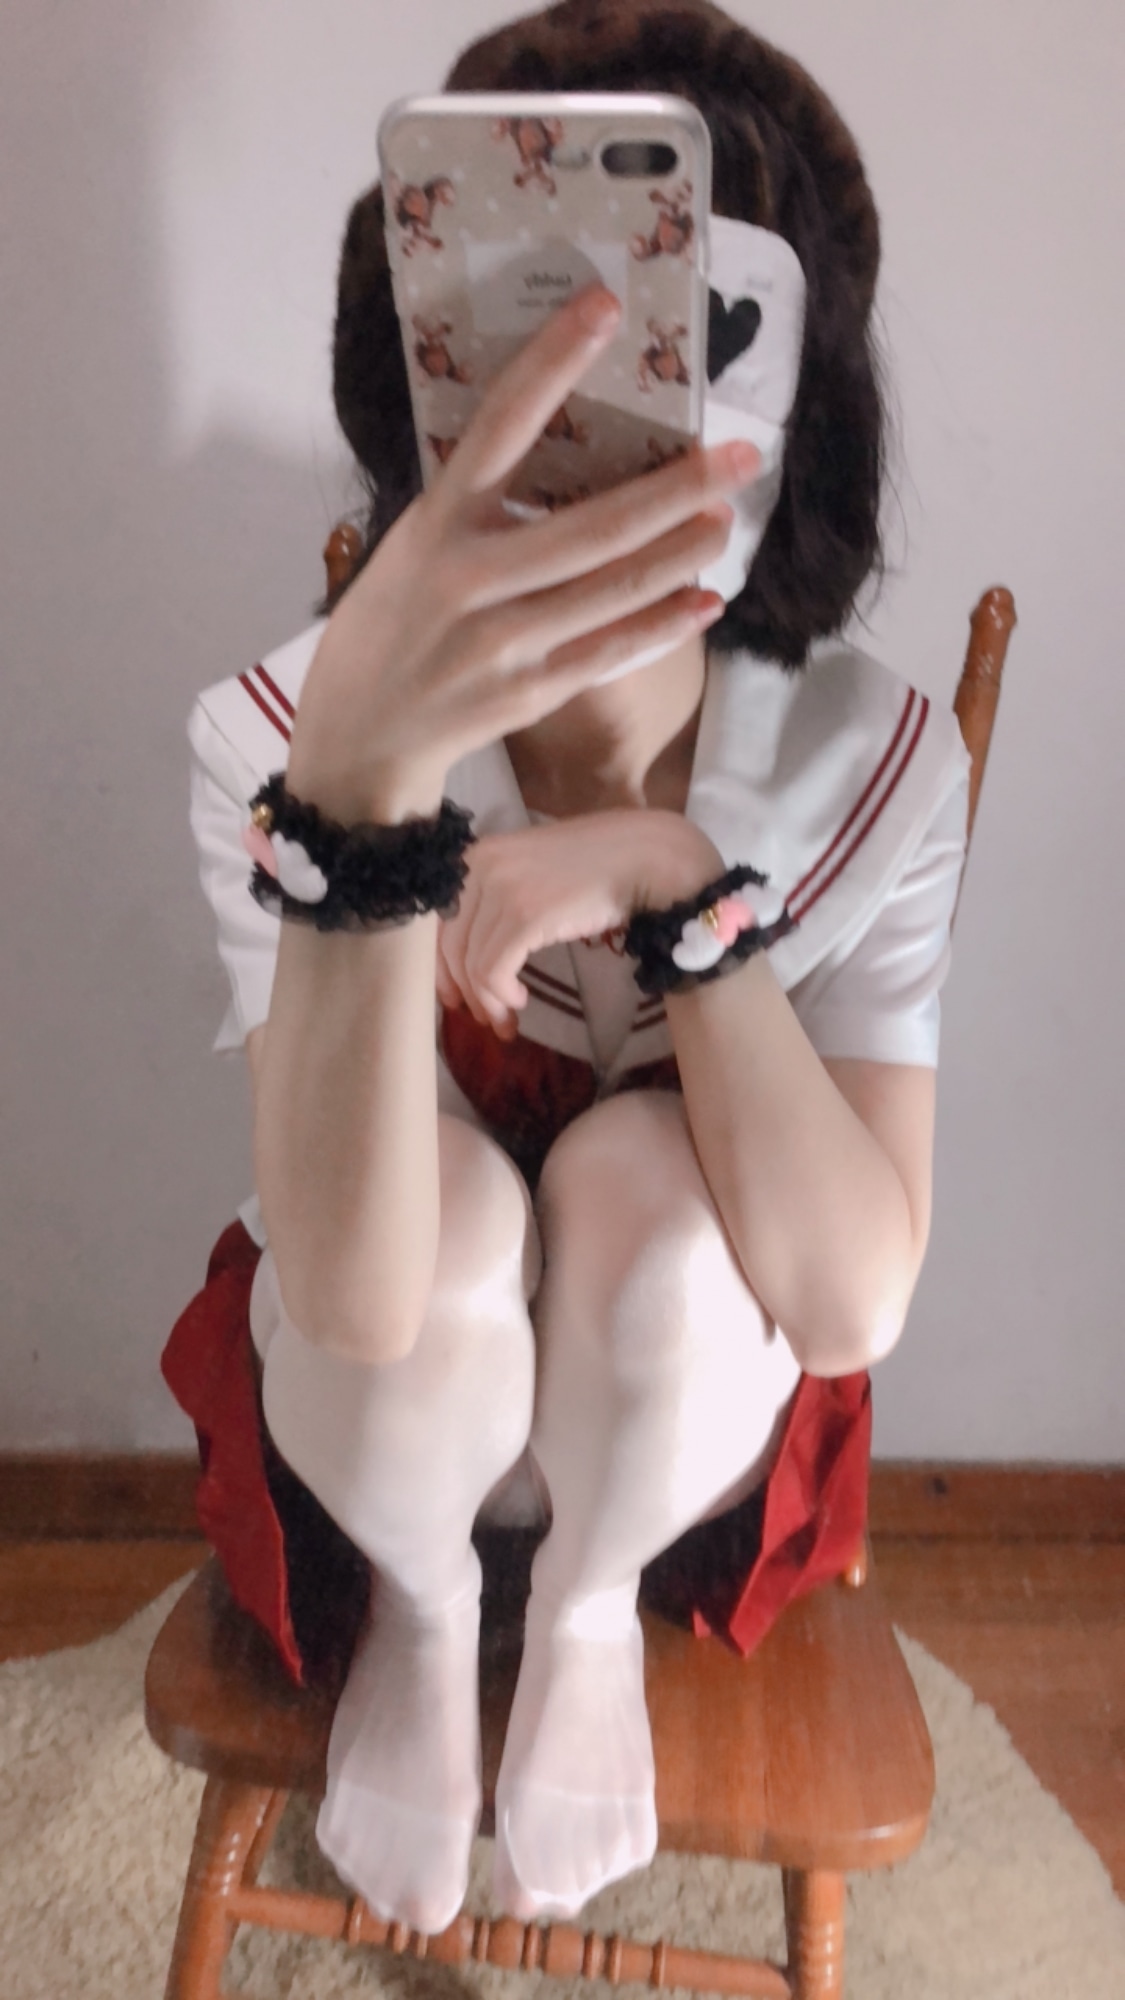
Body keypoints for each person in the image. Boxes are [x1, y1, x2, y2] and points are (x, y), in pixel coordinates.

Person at [163, 0, 971, 1939]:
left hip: (680, 1429)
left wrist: (681, 887)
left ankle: (588, 1601)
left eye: (691, 334)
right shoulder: (271, 735)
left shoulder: (871, 761)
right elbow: (355, 1292)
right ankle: (431, 1605)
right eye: (529, 331)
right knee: (444, 1224)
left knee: (649, 1193)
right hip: (384, 1409)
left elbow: (842, 1298)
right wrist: (362, 797)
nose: (607, 425)